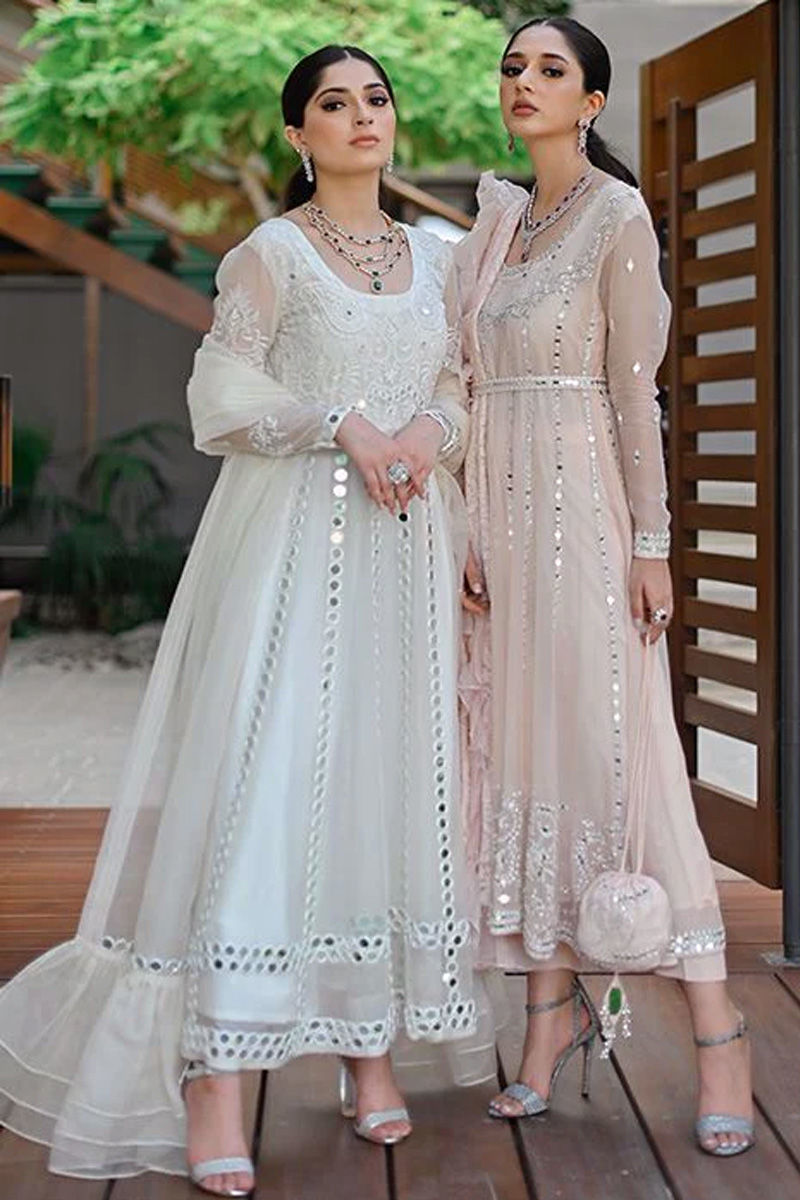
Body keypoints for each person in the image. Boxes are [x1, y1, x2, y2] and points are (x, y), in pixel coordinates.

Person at [0, 44, 486, 1197]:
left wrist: (426, 434)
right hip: (293, 550)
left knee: (386, 779)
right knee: (270, 778)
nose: (361, 116)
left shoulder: (443, 257)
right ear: (296, 135)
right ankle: (217, 1071)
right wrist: (343, 422)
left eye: (375, 99)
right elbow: (218, 394)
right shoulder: (269, 253)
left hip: (409, 549)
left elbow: (459, 385)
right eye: (333, 103)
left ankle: (368, 1048)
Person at [455, 16, 754, 1157]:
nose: (522, 84)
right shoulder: (497, 222)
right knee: (527, 762)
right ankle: (543, 1029)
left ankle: (719, 1037)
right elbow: (463, 382)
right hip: (499, 529)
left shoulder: (616, 216)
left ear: (589, 102)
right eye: (512, 69)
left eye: (549, 71)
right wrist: (465, 528)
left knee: (620, 762)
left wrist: (652, 542)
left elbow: (636, 393)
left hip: (583, 523)